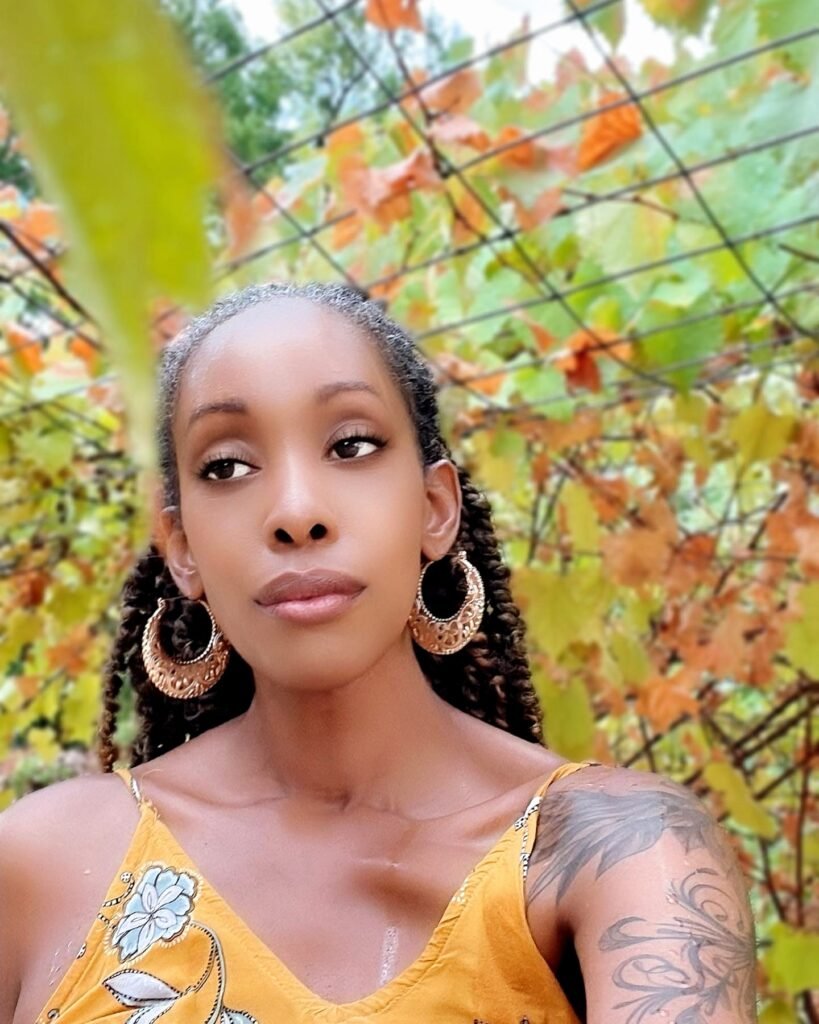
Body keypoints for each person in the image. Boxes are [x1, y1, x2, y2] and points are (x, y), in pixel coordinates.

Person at [0, 282, 756, 1024]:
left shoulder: (620, 852)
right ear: (182, 549)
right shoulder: (39, 862)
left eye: (351, 445)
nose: (296, 513)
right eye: (226, 466)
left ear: (434, 510)